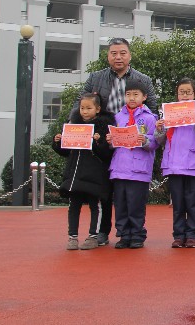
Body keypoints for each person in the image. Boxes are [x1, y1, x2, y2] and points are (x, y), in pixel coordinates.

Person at [74, 37, 158, 246]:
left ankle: (133, 233)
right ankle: (102, 231)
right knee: (105, 188)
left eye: (122, 53)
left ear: (129, 55)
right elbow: (80, 106)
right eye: (113, 53)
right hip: (104, 138)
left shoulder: (143, 79)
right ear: (108, 55)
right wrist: (74, 131)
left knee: (130, 193)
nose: (118, 57)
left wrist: (145, 132)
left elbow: (154, 109)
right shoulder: (95, 78)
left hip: (134, 142)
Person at [155, 78, 195, 248]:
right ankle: (178, 234)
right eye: (182, 92)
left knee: (192, 202)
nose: (185, 95)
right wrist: (160, 128)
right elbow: (159, 140)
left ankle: (192, 234)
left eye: (188, 92)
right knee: (178, 203)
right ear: (177, 94)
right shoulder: (169, 112)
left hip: (194, 165)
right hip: (174, 165)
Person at [52, 92, 115, 250]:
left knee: (95, 206)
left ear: (98, 109)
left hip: (94, 176)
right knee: (74, 205)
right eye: (82, 108)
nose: (85, 111)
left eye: (89, 108)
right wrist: (58, 143)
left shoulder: (104, 127)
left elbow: (106, 153)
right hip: (75, 175)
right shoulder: (74, 125)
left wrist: (97, 143)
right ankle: (72, 237)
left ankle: (93, 236)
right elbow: (66, 152)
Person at [105, 79, 157, 249]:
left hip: (139, 170)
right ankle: (123, 234)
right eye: (128, 95)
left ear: (144, 97)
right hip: (119, 168)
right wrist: (110, 140)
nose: (132, 98)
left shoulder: (150, 118)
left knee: (136, 204)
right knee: (120, 204)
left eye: (136, 95)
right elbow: (113, 143)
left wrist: (145, 140)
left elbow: (156, 142)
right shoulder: (117, 117)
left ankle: (137, 234)